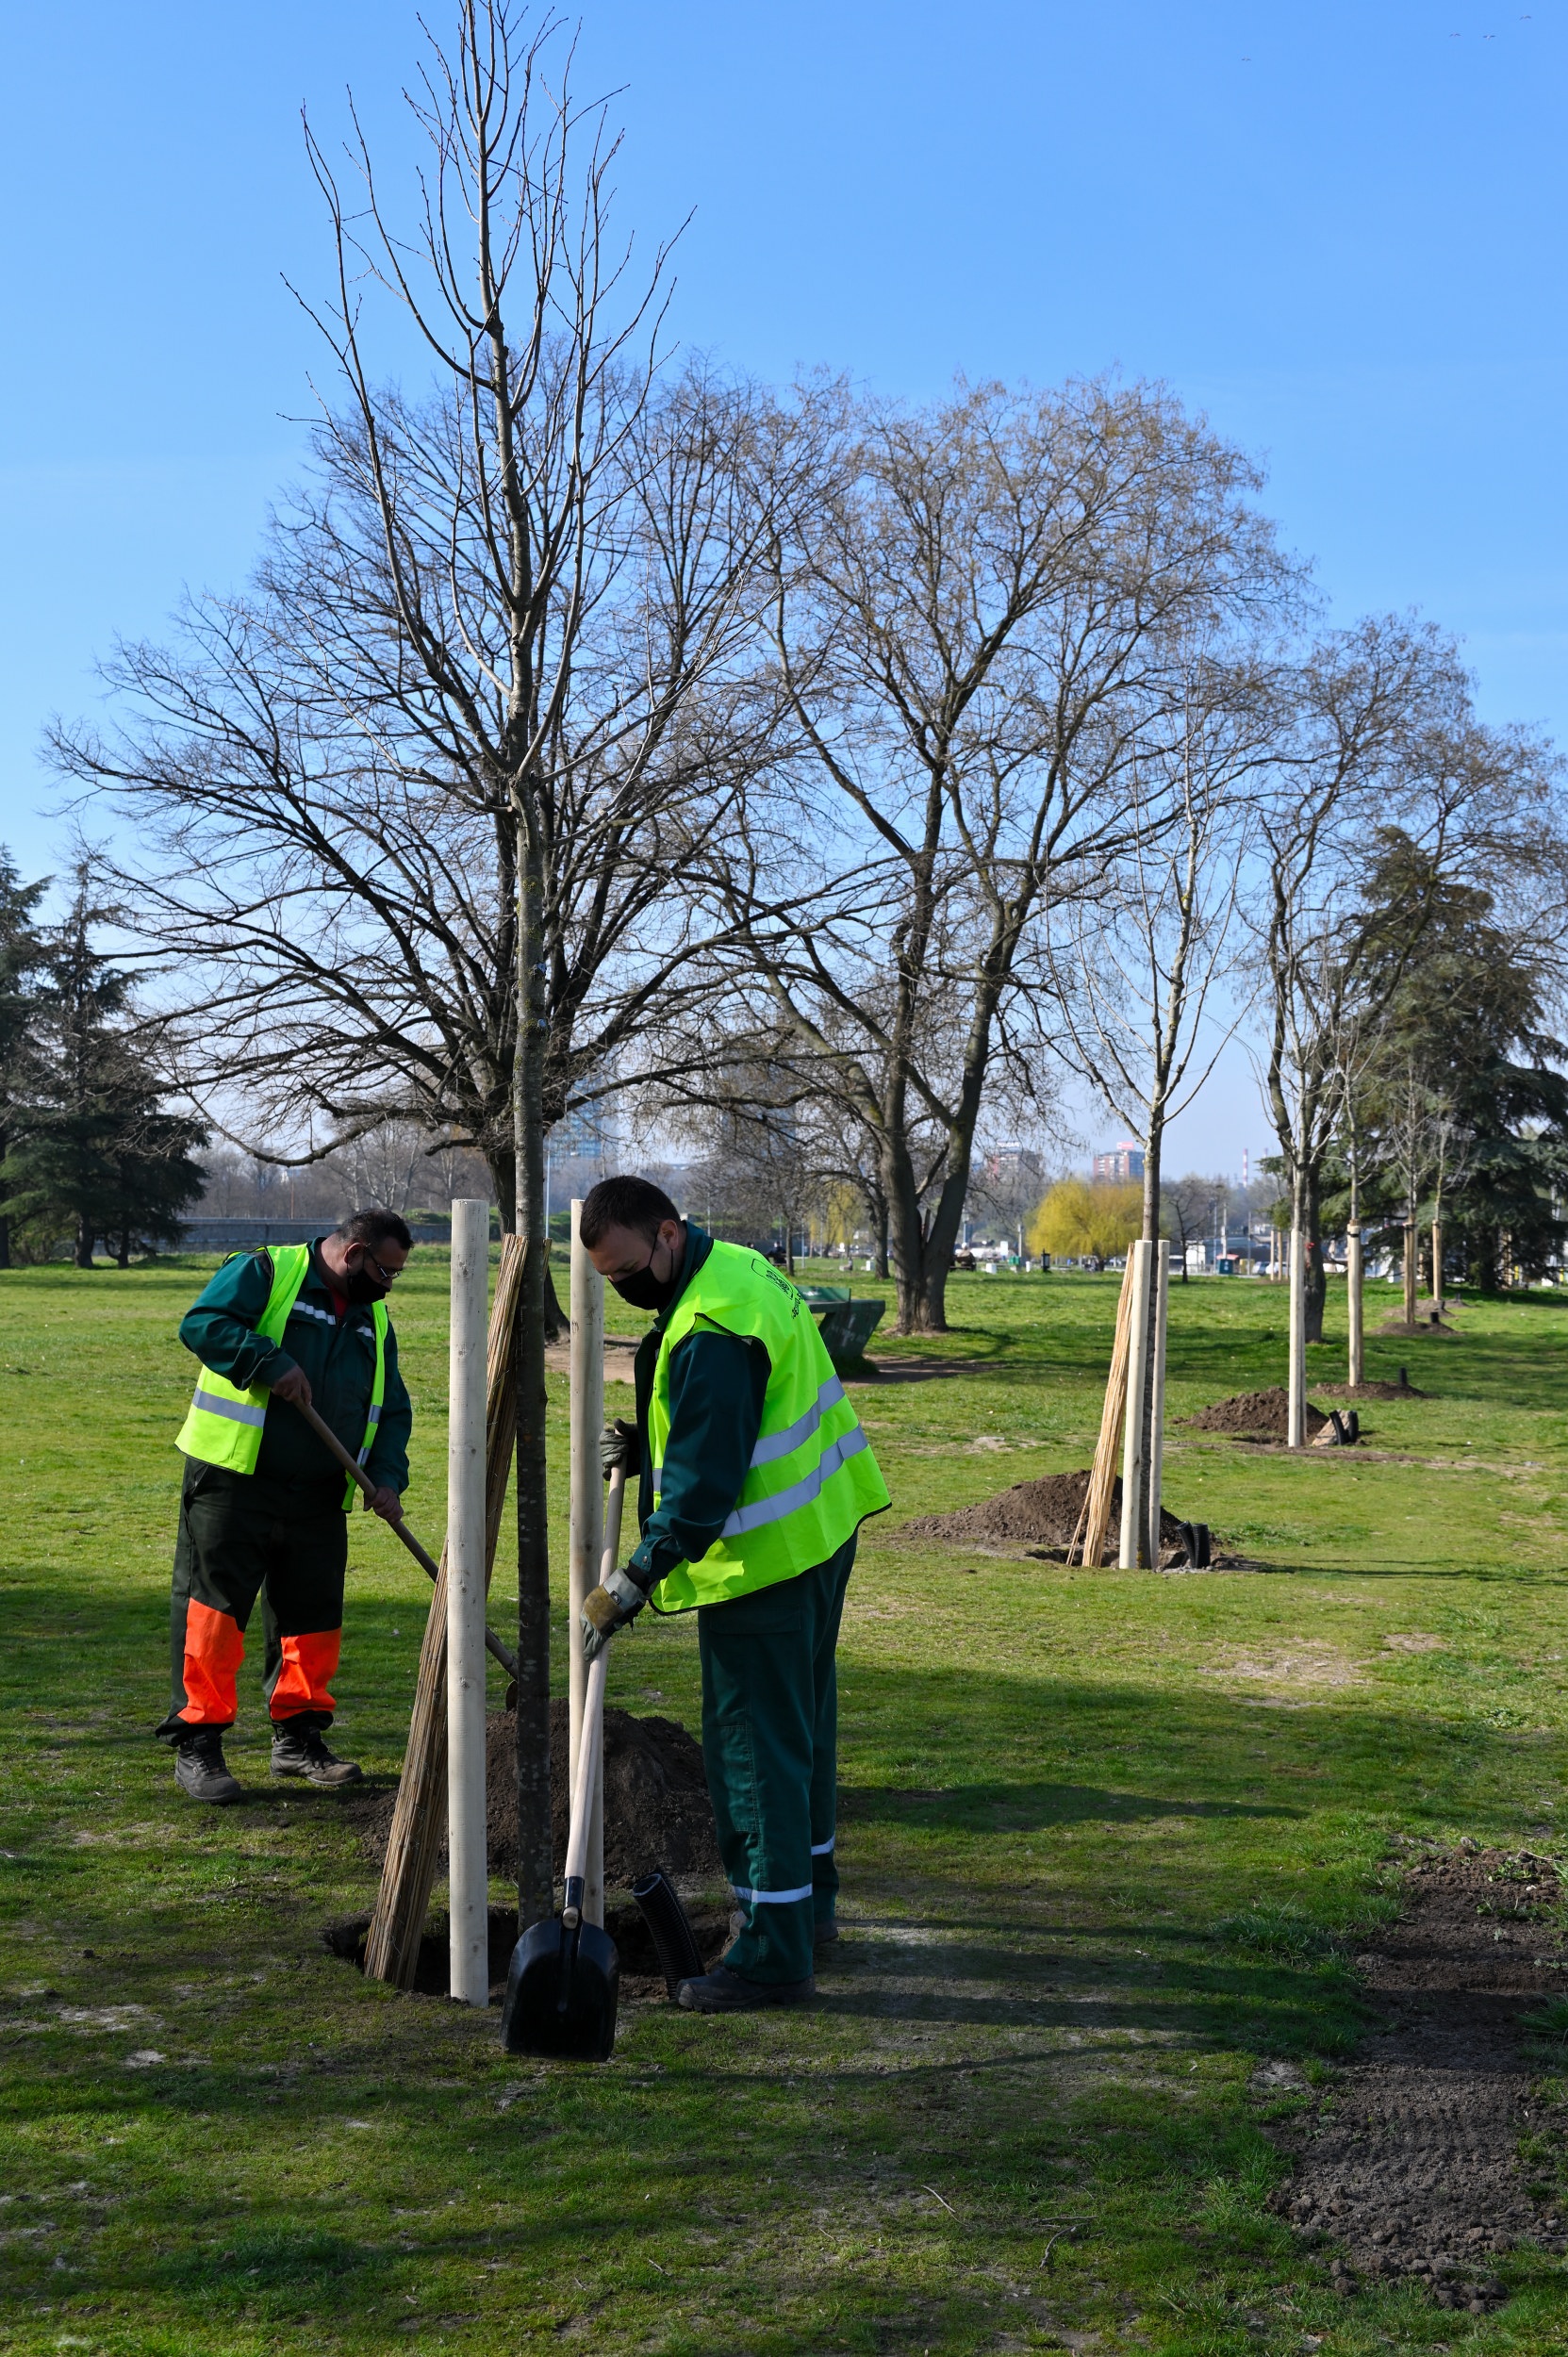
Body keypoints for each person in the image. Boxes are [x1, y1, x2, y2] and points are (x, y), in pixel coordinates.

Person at [578, 1175, 890, 2014]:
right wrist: (659, 1436)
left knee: (753, 1758)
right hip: (822, 1529)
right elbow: (746, 1410)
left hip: (765, 1564)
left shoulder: (709, 1328)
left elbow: (704, 1493)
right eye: (607, 1278)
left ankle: (770, 1955)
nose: (622, 1287)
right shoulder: (742, 1271)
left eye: (627, 1270)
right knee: (801, 1734)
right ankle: (808, 1910)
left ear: (668, 1234)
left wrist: (632, 1580)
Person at [156, 1210, 416, 1804]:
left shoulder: (373, 1319)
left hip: (321, 1494)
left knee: (313, 1618)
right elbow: (203, 1324)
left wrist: (386, 1477)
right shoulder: (265, 1273)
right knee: (216, 1613)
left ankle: (298, 1739)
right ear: (352, 1254)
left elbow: (391, 1407)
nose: (388, 1285)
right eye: (385, 1271)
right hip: (235, 1481)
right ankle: (200, 1743)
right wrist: (267, 1363)